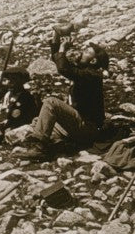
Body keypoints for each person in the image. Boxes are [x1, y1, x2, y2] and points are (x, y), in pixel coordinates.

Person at [22, 26, 111, 158]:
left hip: (88, 128)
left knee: (50, 103)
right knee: (39, 121)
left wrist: (63, 49)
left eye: (86, 52)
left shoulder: (92, 75)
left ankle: (40, 148)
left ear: (93, 61)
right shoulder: (84, 71)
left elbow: (64, 69)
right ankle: (59, 144)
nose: (82, 52)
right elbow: (57, 60)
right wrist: (56, 37)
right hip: (80, 125)